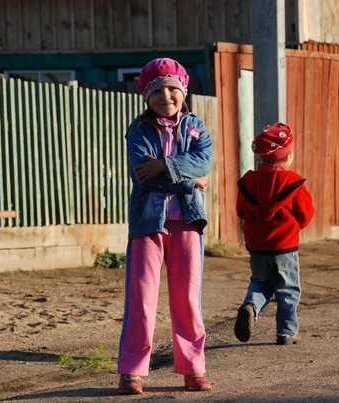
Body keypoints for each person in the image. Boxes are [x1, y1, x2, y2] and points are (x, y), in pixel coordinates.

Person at [117, 57, 213, 395]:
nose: (167, 96)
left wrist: (164, 166)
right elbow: (142, 177)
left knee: (187, 299)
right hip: (148, 223)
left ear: (183, 91)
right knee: (142, 300)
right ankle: (132, 371)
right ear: (146, 95)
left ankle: (193, 368)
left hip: (187, 222)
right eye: (158, 91)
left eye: (173, 89)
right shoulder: (139, 130)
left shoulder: (196, 127)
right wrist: (191, 181)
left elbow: (204, 161)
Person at [234, 122, 314, 345]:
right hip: (284, 246)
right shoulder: (293, 182)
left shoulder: (247, 182)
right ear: (287, 157)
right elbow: (306, 215)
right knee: (287, 288)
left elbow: (240, 210)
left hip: (257, 246)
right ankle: (287, 332)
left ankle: (251, 306)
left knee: (260, 282)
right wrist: (293, 227)